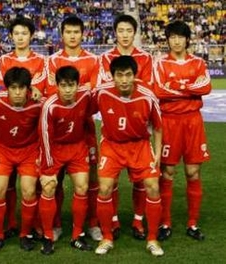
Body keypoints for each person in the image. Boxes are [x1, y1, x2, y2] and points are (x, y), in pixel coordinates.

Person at [94, 56, 164, 257]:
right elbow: (81, 106)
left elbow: (158, 127)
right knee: (105, 187)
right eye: (119, 75)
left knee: (153, 186)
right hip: (112, 145)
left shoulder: (147, 95)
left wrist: (157, 153)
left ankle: (152, 238)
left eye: (128, 75)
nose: (124, 80)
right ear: (112, 76)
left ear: (135, 76)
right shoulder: (101, 92)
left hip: (140, 145)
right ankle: (107, 237)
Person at [96, 14, 155, 240]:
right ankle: (112, 219)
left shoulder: (146, 58)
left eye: (129, 31)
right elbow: (105, 86)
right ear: (115, 33)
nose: (124, 35)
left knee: (141, 179)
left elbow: (148, 88)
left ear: (134, 33)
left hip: (138, 123)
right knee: (110, 179)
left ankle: (139, 221)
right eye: (120, 30)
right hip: (113, 123)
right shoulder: (105, 58)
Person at [153, 20, 211, 241]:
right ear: (167, 40)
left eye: (180, 37)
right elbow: (159, 90)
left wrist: (177, 86)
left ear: (187, 39)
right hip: (169, 122)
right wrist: (189, 89)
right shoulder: (160, 64)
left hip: (193, 122)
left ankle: (192, 223)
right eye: (172, 37)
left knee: (192, 172)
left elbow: (205, 87)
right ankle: (165, 222)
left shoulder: (198, 63)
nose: (176, 41)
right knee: (167, 173)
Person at [46, 15, 101, 242]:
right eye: (68, 32)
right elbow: (51, 92)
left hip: (85, 127)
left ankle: (92, 223)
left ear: (82, 34)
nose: (72, 36)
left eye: (76, 32)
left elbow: (95, 93)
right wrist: (83, 89)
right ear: (62, 35)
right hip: (59, 129)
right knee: (54, 180)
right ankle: (56, 223)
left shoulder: (93, 61)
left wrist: (82, 91)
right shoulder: (52, 61)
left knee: (92, 179)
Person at [0, 16, 47, 238]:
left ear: (31, 36)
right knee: (5, 185)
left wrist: (34, 91)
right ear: (11, 36)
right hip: (7, 126)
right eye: (16, 33)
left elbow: (42, 90)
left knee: (30, 186)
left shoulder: (41, 61)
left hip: (30, 125)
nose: (20, 37)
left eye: (24, 33)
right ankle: (10, 222)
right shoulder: (4, 60)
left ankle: (32, 225)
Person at [0, 67, 43, 252]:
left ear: (28, 88)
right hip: (2, 150)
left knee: (28, 191)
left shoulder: (37, 104)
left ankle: (25, 234)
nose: (17, 92)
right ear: (7, 88)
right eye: (13, 88)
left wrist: (37, 91)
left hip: (28, 151)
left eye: (22, 88)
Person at [38, 65, 93, 255]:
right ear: (56, 85)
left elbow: (99, 87)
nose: (68, 90)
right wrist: (48, 168)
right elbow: (45, 138)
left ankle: (77, 235)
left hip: (77, 147)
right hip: (55, 149)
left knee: (82, 187)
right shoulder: (50, 106)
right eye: (63, 85)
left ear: (78, 85)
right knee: (49, 186)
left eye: (72, 85)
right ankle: (47, 236)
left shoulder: (86, 94)